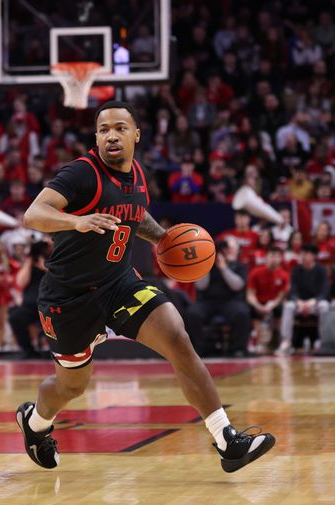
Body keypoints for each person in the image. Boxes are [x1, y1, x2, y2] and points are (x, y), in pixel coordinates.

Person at [17, 100, 274, 474]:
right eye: (103, 129)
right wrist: (77, 222)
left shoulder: (137, 173)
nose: (111, 135)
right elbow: (33, 214)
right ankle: (35, 423)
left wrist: (165, 238)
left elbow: (134, 215)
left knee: (176, 336)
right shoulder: (81, 174)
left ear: (136, 134)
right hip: (68, 299)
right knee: (70, 386)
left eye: (120, 128)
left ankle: (226, 440)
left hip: (118, 283)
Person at [186, 238, 251, 356]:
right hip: (208, 301)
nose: (226, 251)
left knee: (242, 312)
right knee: (192, 313)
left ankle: (238, 349)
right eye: (224, 249)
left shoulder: (239, 266)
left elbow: (237, 286)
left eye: (230, 248)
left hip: (230, 301)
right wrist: (207, 265)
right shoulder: (207, 265)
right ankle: (199, 349)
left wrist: (224, 268)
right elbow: (201, 286)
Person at [276, 244, 331, 355]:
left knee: (324, 306)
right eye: (302, 254)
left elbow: (325, 291)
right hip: (299, 303)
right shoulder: (296, 270)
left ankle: (323, 341)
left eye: (306, 254)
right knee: (288, 306)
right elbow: (293, 290)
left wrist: (313, 301)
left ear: (313, 256)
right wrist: (299, 302)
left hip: (315, 303)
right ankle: (286, 342)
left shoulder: (322, 270)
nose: (303, 256)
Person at [8, 240, 50, 359]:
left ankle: (56, 351)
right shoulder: (30, 263)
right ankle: (28, 350)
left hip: (50, 305)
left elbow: (59, 277)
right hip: (30, 306)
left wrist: (45, 266)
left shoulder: (55, 261)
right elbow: (20, 282)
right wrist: (30, 260)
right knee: (15, 317)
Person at [246, 246, 289, 353]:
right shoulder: (256, 272)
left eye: (277, 256)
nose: (274, 259)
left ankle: (278, 340)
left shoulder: (284, 275)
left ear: (280, 259)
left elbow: (281, 296)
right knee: (249, 310)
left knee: (281, 309)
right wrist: (258, 306)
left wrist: (271, 305)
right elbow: (250, 294)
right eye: (272, 256)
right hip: (258, 302)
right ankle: (259, 342)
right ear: (266, 257)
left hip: (274, 303)